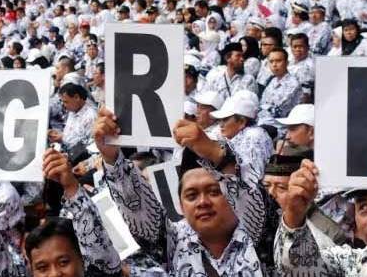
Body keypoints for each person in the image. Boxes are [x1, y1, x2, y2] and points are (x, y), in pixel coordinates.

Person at [94, 107, 265, 275]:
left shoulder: (258, 235)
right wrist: (112, 157)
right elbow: (139, 210)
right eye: (191, 196)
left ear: (231, 195)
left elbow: (248, 197)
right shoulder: (175, 242)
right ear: (181, 206)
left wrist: (216, 154)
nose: (203, 202)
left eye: (214, 192)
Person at [0, 149, 122, 277]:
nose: (54, 274)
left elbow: (97, 243)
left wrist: (71, 186)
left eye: (63, 262)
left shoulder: (100, 268)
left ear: (83, 261)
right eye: (42, 267)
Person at [259, 48, 303, 131]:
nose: (274, 65)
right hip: (264, 123)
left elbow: (277, 110)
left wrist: (263, 109)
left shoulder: (293, 84)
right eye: (271, 61)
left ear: (287, 63)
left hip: (281, 128)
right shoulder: (271, 80)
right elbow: (262, 104)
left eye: (278, 61)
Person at [48, 82, 97, 152]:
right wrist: (57, 134)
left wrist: (62, 138)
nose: (64, 105)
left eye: (66, 102)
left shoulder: (91, 116)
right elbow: (72, 133)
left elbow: (90, 145)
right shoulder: (73, 110)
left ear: (77, 97)